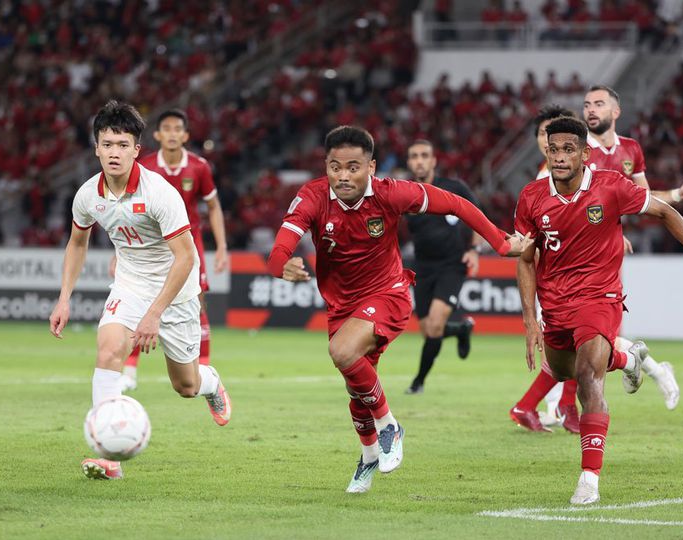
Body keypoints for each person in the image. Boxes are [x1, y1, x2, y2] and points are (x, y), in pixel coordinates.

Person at [267, 126, 532, 493]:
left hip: (387, 293)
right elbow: (283, 243)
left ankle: (389, 425)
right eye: (335, 167)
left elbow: (456, 203)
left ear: (371, 167)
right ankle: (369, 454)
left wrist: (501, 243)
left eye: (353, 167)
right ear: (325, 166)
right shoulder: (313, 196)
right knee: (356, 386)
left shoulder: (392, 193)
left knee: (341, 352)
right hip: (341, 303)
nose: (343, 176)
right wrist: (279, 263)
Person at [515, 117, 683, 505]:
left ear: (585, 153)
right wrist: (531, 319)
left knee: (587, 377)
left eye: (569, 149)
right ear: (545, 152)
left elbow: (665, 212)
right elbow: (526, 259)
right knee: (564, 369)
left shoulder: (611, 186)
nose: (561, 157)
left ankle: (589, 479)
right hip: (555, 303)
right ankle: (628, 356)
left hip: (599, 297)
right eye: (554, 150)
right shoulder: (531, 197)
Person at [49, 100, 232, 481]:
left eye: (122, 144)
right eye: (107, 144)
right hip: (130, 284)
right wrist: (64, 296)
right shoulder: (87, 194)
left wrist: (153, 314)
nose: (114, 152)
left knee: (186, 385)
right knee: (109, 348)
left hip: (176, 289)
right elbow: (77, 244)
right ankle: (109, 456)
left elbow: (184, 258)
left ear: (136, 149)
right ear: (96, 148)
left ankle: (211, 383)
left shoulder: (160, 192)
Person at [582, 84, 683, 408]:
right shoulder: (576, 149)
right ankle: (649, 367)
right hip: (584, 243)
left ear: (616, 111)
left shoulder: (631, 149)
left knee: (581, 334)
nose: (591, 110)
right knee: (577, 334)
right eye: (586, 105)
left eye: (599, 103)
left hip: (601, 251)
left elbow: (645, 200)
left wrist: (678, 194)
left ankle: (555, 409)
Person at [116, 109, 229, 392]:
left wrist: (222, 246)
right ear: (157, 134)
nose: (172, 133)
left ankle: (202, 366)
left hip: (188, 244)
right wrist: (118, 251)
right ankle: (129, 371)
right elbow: (127, 212)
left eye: (177, 129)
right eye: (166, 128)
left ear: (186, 135)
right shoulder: (146, 165)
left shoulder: (199, 167)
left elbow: (213, 207)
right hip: (149, 244)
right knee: (138, 302)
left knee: (198, 303)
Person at [403, 139, 485, 395]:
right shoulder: (403, 192)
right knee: (428, 330)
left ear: (433, 161)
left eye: (424, 155)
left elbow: (478, 218)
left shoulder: (453, 187)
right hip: (422, 268)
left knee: (435, 326)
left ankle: (418, 382)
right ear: (409, 162)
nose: (419, 160)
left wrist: (474, 250)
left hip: (452, 265)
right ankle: (461, 329)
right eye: (414, 156)